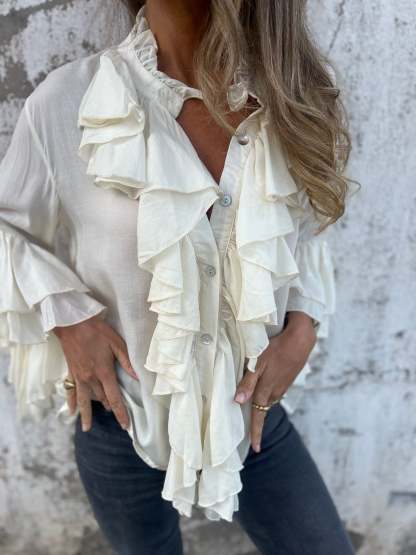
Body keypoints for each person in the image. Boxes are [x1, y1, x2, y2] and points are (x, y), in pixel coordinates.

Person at [0, 0, 359, 553]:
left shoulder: (296, 94)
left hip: (251, 417)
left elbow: (308, 229)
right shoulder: (69, 100)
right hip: (122, 419)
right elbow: (8, 227)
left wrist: (304, 322)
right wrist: (68, 318)